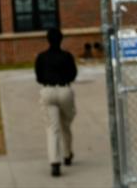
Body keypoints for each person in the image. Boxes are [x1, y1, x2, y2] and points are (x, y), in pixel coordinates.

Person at [34, 27, 77, 177]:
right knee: (66, 123)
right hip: (65, 90)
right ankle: (67, 154)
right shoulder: (67, 56)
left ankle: (55, 162)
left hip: (47, 92)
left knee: (53, 128)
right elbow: (73, 74)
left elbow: (38, 77)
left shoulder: (41, 57)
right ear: (61, 39)